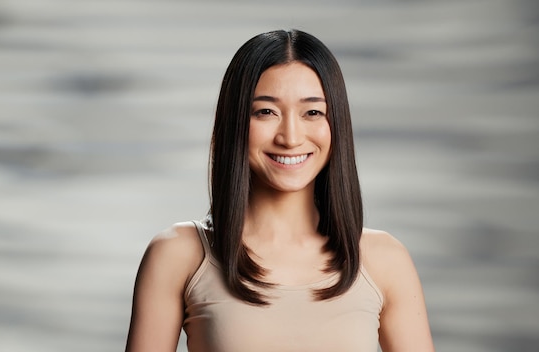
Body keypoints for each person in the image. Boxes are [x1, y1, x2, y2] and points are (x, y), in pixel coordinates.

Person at [125, 29, 435, 352]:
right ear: (235, 123)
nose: (290, 136)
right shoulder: (179, 255)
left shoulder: (384, 260)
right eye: (266, 112)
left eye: (312, 112)